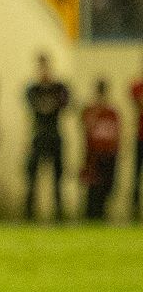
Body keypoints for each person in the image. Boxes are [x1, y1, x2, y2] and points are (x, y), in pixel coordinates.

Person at [23, 53, 70, 222]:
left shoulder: (58, 87)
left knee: (57, 178)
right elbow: (36, 105)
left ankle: (58, 212)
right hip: (38, 136)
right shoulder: (32, 89)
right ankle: (28, 212)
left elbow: (65, 102)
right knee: (32, 177)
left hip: (54, 136)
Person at [80, 80, 122, 219]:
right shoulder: (90, 110)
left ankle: (102, 212)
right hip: (94, 153)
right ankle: (90, 214)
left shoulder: (111, 111)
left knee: (107, 185)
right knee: (93, 185)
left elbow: (116, 132)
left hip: (109, 153)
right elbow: (85, 130)